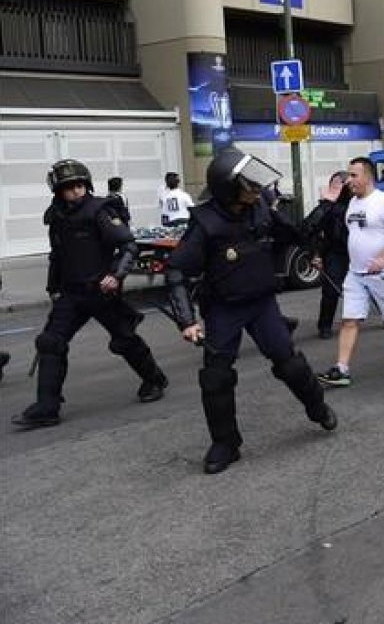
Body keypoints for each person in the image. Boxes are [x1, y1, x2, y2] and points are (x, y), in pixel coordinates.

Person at [165, 148, 337, 474]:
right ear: (229, 188)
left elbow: (298, 233)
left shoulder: (260, 209)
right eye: (249, 184)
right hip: (223, 310)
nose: (257, 189)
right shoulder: (205, 223)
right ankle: (225, 444)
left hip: (262, 305)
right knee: (215, 379)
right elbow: (176, 272)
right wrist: (187, 321)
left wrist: (325, 207)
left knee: (290, 364)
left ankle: (318, 407)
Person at [12, 160, 169, 429]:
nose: (76, 191)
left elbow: (128, 246)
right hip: (71, 294)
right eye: (69, 187)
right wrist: (53, 289)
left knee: (125, 339)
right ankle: (47, 407)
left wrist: (116, 275)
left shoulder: (100, 210)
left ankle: (154, 378)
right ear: (58, 191)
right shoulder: (57, 218)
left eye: (80, 185)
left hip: (101, 292)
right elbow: (57, 256)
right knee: (50, 342)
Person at [317, 157, 384, 387]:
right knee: (349, 320)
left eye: (354, 175)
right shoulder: (352, 203)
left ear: (368, 177)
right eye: (348, 175)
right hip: (356, 273)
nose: (349, 180)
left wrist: (383, 257)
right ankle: (341, 368)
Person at [304, 171, 352, 339]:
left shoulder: (361, 203)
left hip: (358, 251)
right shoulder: (327, 207)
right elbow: (309, 228)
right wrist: (314, 254)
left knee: (374, 283)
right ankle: (325, 325)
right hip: (335, 252)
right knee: (331, 290)